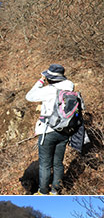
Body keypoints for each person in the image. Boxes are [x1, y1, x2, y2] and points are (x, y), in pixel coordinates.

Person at [26, 63, 84, 195]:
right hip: (65, 130)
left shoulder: (49, 90)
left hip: (48, 131)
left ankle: (43, 192)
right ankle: (55, 190)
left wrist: (41, 80)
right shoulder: (70, 86)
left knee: (45, 165)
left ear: (50, 78)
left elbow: (29, 96)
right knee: (58, 163)